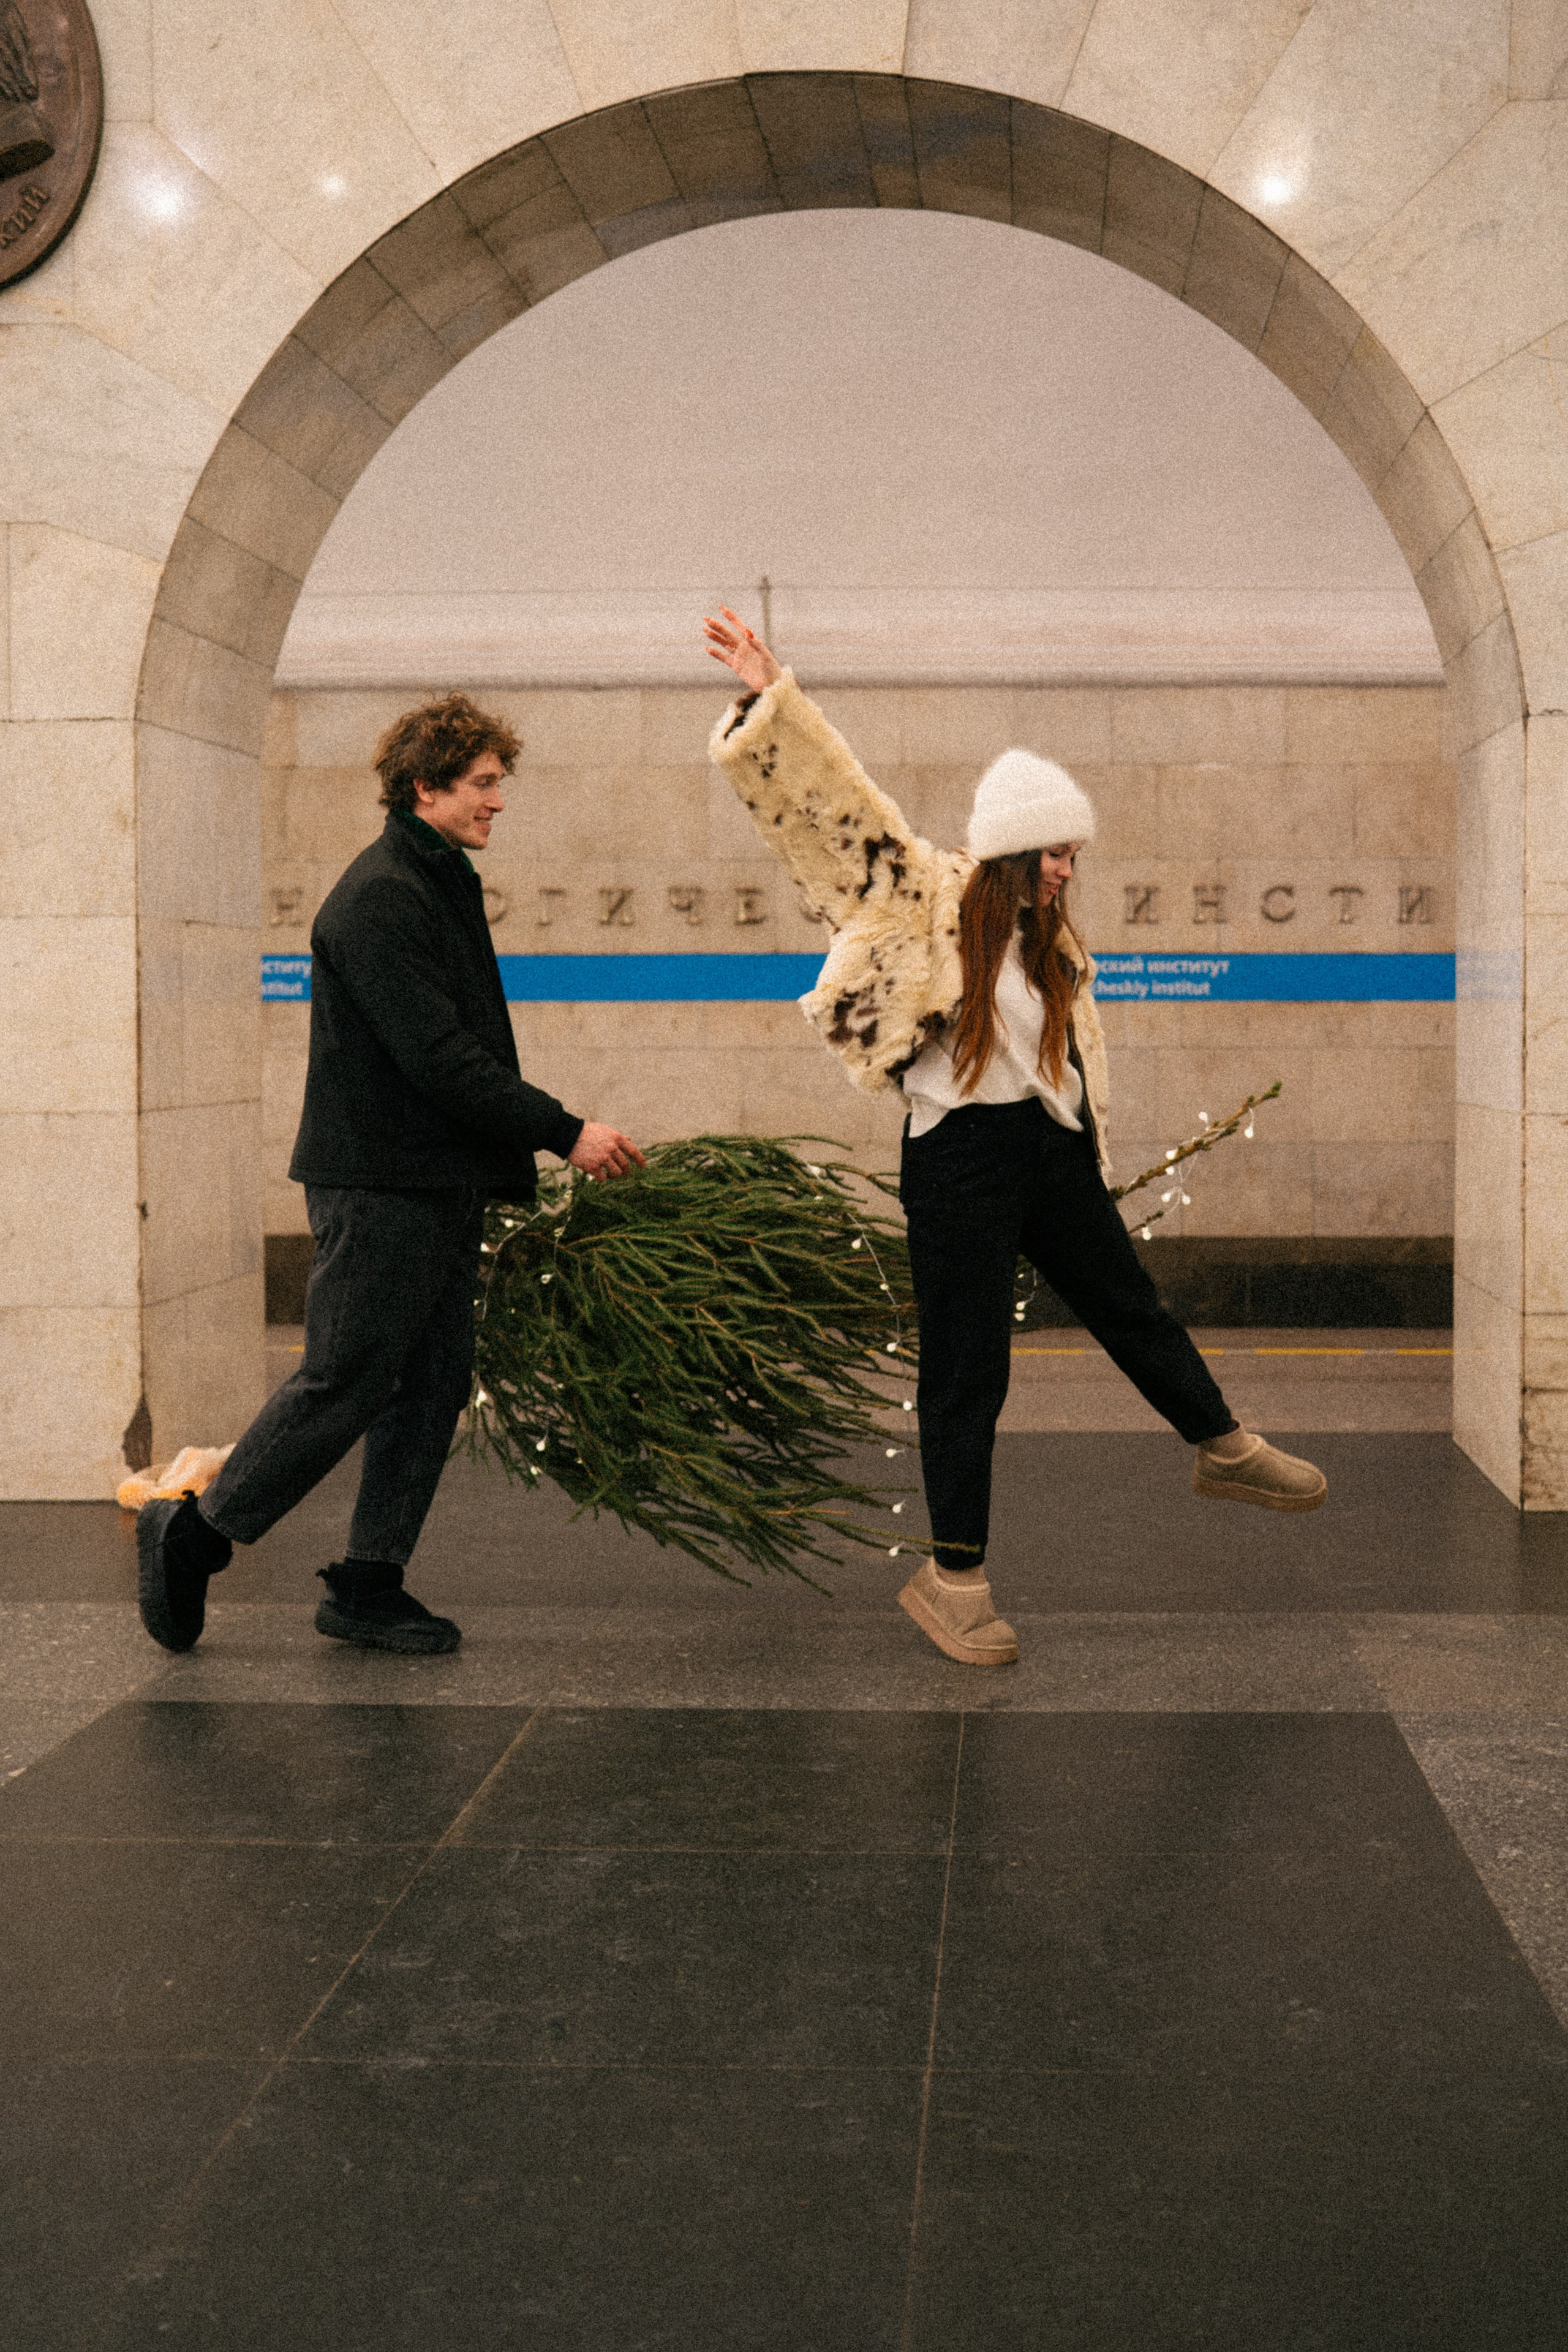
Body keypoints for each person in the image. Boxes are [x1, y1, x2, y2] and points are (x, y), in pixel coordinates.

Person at [703, 611, 1324, 1669]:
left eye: (1073, 854)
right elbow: (836, 811)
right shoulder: (920, 897)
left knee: (1129, 1303)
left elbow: (1067, 1065)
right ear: (1007, 850)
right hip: (957, 1160)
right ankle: (954, 1582)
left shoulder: (1050, 942)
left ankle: (1222, 1445)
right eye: (1054, 853)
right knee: (967, 1370)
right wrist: (771, 700)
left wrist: (1082, 1142)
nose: (1066, 872)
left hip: (1046, 1150)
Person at [137, 693, 643, 1659]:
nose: (499, 801)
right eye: (484, 784)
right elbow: (438, 1058)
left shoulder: (436, 877)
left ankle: (368, 1584)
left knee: (431, 1385)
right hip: (379, 1185)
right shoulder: (380, 897)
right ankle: (195, 1533)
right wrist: (563, 1131)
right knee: (346, 1380)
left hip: (433, 1182)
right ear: (426, 785)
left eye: (500, 783)